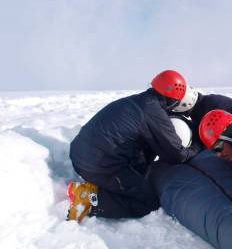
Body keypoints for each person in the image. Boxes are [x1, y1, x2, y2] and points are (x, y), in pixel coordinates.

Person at [67, 70, 204, 223]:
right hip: (97, 166)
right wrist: (198, 146)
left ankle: (105, 185)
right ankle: (88, 200)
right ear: (173, 100)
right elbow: (177, 155)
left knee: (142, 159)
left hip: (81, 154)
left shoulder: (141, 101)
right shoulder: (153, 112)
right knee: (148, 202)